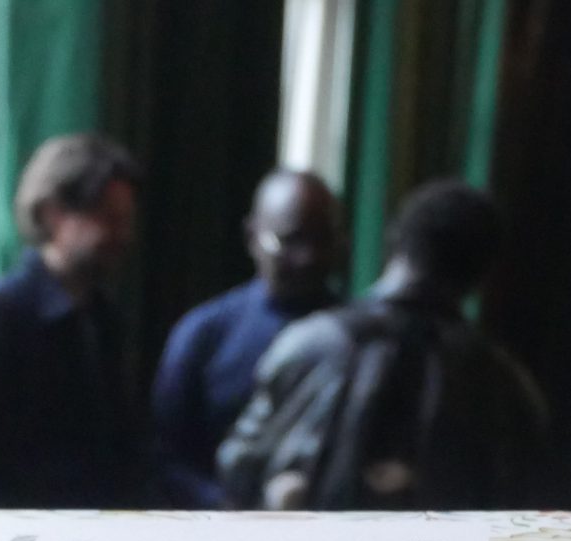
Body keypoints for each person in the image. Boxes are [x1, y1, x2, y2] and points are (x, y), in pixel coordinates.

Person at [216, 178, 547, 511]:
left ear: (396, 243)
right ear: (482, 274)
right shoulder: (503, 384)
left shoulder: (310, 343)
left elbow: (239, 466)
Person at [0, 133, 149, 508]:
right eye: (109, 220)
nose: (124, 236)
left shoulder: (105, 321)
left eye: (126, 222)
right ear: (52, 213)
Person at [149, 169, 343, 506]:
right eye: (291, 240)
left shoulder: (359, 337)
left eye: (322, 240)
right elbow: (164, 456)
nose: (308, 257)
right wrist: (231, 510)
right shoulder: (204, 334)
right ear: (253, 236)